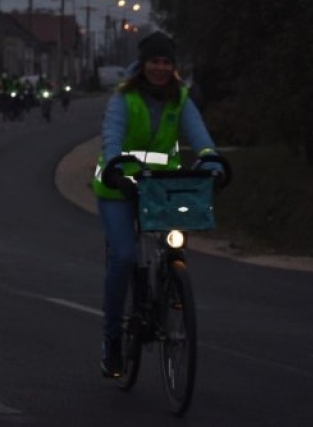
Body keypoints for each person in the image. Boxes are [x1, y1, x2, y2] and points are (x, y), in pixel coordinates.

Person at [92, 31, 223, 378]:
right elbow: (112, 136)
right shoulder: (124, 97)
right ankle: (112, 344)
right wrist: (115, 166)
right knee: (122, 256)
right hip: (118, 187)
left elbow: (200, 137)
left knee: (172, 246)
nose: (161, 68)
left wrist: (213, 161)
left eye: (167, 62)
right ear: (143, 64)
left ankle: (168, 291)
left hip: (160, 187)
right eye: (155, 61)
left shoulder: (180, 98)